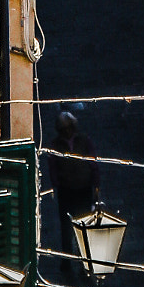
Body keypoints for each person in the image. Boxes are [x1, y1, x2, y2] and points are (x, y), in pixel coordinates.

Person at [48, 109, 99, 254]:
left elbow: (93, 162)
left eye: (69, 128)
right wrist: (56, 183)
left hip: (83, 188)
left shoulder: (84, 141)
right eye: (64, 129)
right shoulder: (56, 145)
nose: (67, 131)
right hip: (66, 189)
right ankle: (67, 257)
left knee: (83, 223)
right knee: (66, 226)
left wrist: (96, 184)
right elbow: (53, 166)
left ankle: (84, 256)